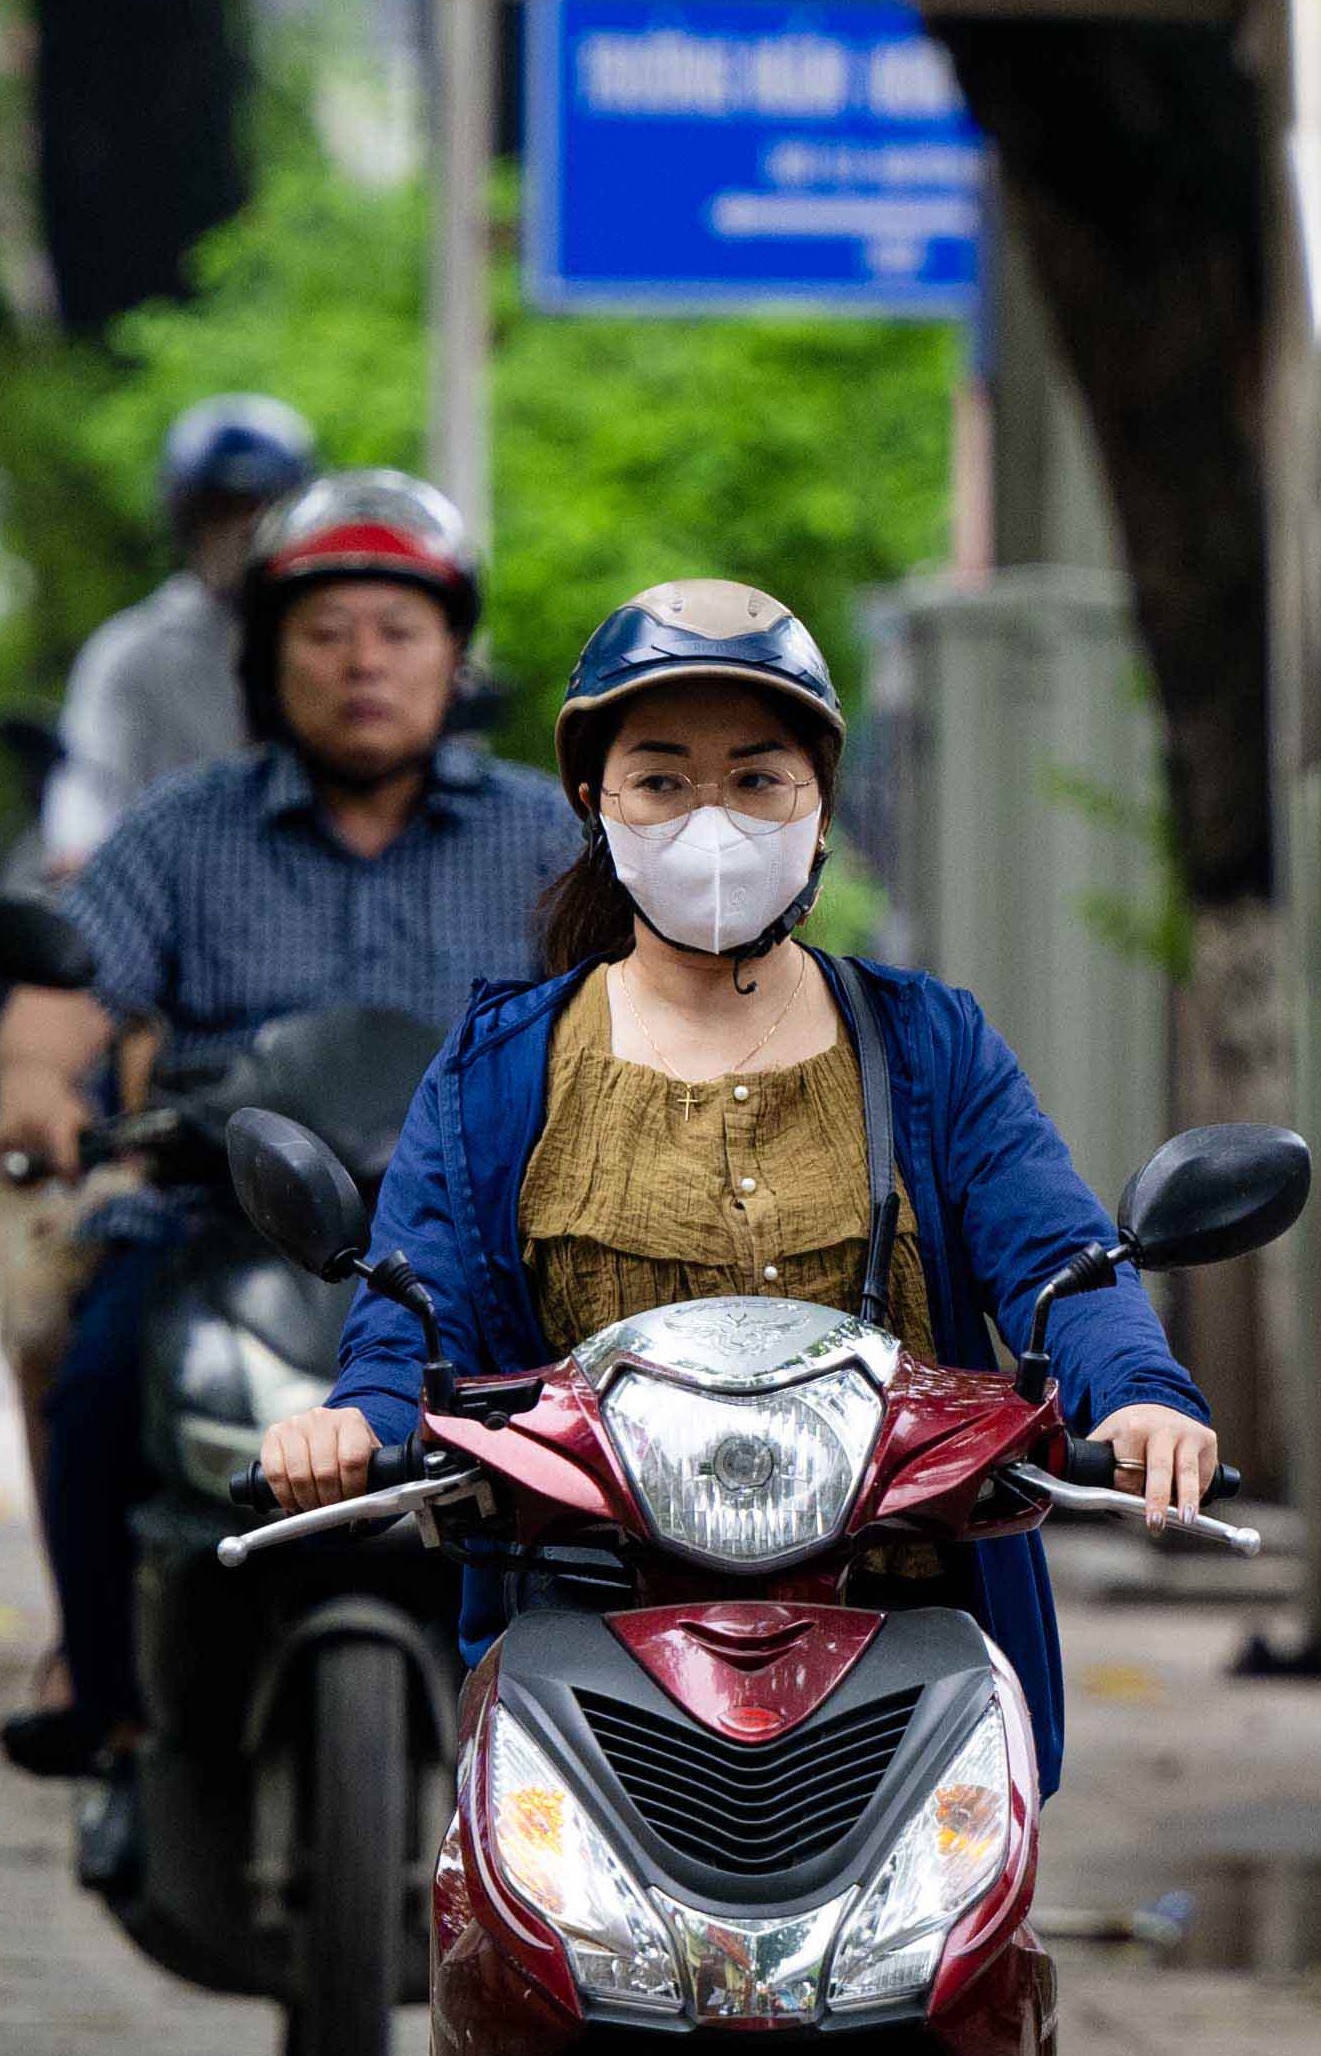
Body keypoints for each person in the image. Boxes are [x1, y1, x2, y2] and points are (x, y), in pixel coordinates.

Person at [258, 579, 1217, 1774]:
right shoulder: (499, 1070)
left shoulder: (932, 1045)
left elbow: (1056, 1258)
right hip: (587, 1662)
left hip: (904, 1650)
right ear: (592, 804)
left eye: (759, 779)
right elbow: (416, 1309)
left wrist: (1136, 1392)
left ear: (820, 809)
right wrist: (357, 1420)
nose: (711, 821)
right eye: (661, 780)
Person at [0, 468, 578, 1784]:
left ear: (454, 656)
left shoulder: (552, 838)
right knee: (81, 1355)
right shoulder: (181, 829)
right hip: (221, 1214)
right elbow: (63, 994)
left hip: (487, 1231)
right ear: (265, 659)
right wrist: (36, 1091)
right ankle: (104, 1682)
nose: (361, 662)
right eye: (324, 633)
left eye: (397, 631)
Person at [37, 391, 320, 872]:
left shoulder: (335, 642)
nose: (240, 532)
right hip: (173, 904)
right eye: (220, 512)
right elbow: (89, 783)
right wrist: (81, 858)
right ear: (185, 520)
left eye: (257, 511)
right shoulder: (134, 650)